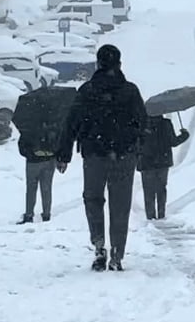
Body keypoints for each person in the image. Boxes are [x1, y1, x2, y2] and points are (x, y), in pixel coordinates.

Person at [56, 44, 146, 272]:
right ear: (119, 64)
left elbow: (71, 123)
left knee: (93, 199)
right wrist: (137, 146)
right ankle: (117, 253)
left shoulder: (87, 91)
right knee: (120, 205)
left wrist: (64, 153)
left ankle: (99, 245)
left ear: (98, 64)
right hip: (124, 155)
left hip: (94, 154)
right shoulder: (130, 91)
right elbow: (143, 123)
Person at [137, 114, 189, 220]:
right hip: (163, 162)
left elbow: (136, 144)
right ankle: (161, 214)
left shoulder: (141, 125)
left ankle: (150, 216)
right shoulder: (166, 124)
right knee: (161, 189)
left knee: (148, 191)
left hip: (146, 163)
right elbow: (173, 142)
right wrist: (184, 135)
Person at [17, 110, 59, 225]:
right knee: (46, 188)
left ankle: (29, 214)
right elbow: (59, 143)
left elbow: (22, 146)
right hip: (49, 161)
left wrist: (31, 154)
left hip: (33, 162)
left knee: (31, 188)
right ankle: (46, 214)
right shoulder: (54, 127)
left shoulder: (29, 128)